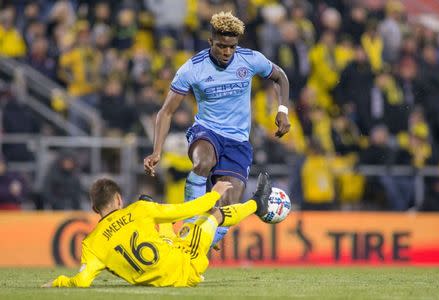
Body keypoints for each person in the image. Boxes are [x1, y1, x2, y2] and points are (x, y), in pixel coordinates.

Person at [143, 11, 290, 247]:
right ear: (211, 41)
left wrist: (282, 109)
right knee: (204, 162)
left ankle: (200, 243)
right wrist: (156, 151)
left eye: (232, 47)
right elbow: (166, 112)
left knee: (229, 207)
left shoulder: (250, 59)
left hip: (238, 142)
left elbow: (280, 76)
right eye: (221, 46)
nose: (227, 52)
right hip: (206, 131)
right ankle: (190, 224)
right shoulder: (192, 68)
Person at [42, 172, 272, 288]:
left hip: (157, 275)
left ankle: (193, 237)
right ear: (119, 199)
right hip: (184, 268)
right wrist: (216, 192)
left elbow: (81, 281)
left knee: (174, 231)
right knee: (211, 215)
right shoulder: (139, 209)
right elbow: (187, 209)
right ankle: (257, 204)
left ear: (94, 208)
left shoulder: (91, 244)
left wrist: (58, 283)